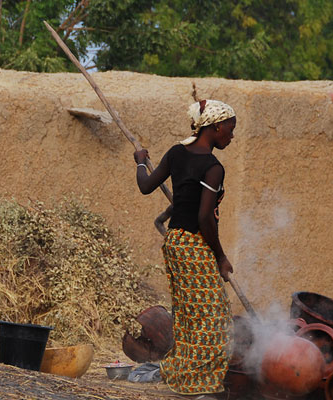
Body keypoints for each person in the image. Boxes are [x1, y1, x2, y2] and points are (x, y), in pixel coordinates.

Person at [133, 100, 236, 396]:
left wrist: (140, 160)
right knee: (215, 320)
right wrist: (220, 257)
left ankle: (187, 376)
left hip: (176, 241)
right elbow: (204, 216)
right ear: (216, 126)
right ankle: (198, 384)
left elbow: (146, 185)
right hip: (194, 244)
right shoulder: (213, 167)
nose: (231, 135)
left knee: (191, 317)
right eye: (230, 129)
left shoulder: (176, 153)